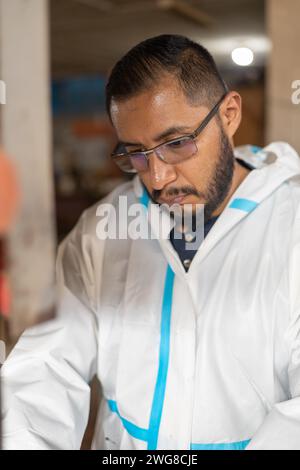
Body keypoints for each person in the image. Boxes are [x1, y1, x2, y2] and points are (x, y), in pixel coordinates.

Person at [2, 34, 300, 450]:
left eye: (177, 144)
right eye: (136, 153)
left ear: (229, 115)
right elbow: (44, 368)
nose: (157, 178)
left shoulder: (291, 227)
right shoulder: (101, 234)